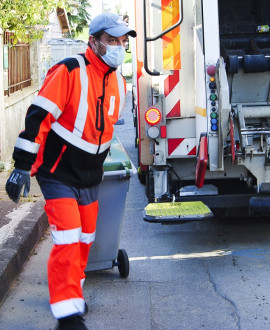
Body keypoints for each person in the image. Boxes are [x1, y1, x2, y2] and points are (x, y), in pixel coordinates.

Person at [5, 13, 136, 330]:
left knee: (84, 240)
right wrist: (22, 167)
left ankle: (70, 295)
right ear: (93, 41)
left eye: (123, 41)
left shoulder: (118, 80)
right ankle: (67, 315)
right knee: (67, 238)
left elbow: (100, 131)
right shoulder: (69, 71)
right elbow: (38, 118)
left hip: (90, 177)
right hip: (58, 173)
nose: (119, 47)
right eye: (112, 40)